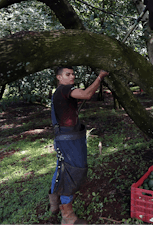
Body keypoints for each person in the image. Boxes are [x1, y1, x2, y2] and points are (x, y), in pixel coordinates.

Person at [48, 66, 109, 225]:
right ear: (59, 77)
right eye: (68, 74)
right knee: (73, 171)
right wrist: (100, 77)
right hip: (69, 140)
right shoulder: (65, 89)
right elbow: (87, 94)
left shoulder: (57, 93)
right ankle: (67, 216)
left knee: (62, 167)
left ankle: (54, 203)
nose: (72, 77)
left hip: (63, 137)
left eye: (73, 74)